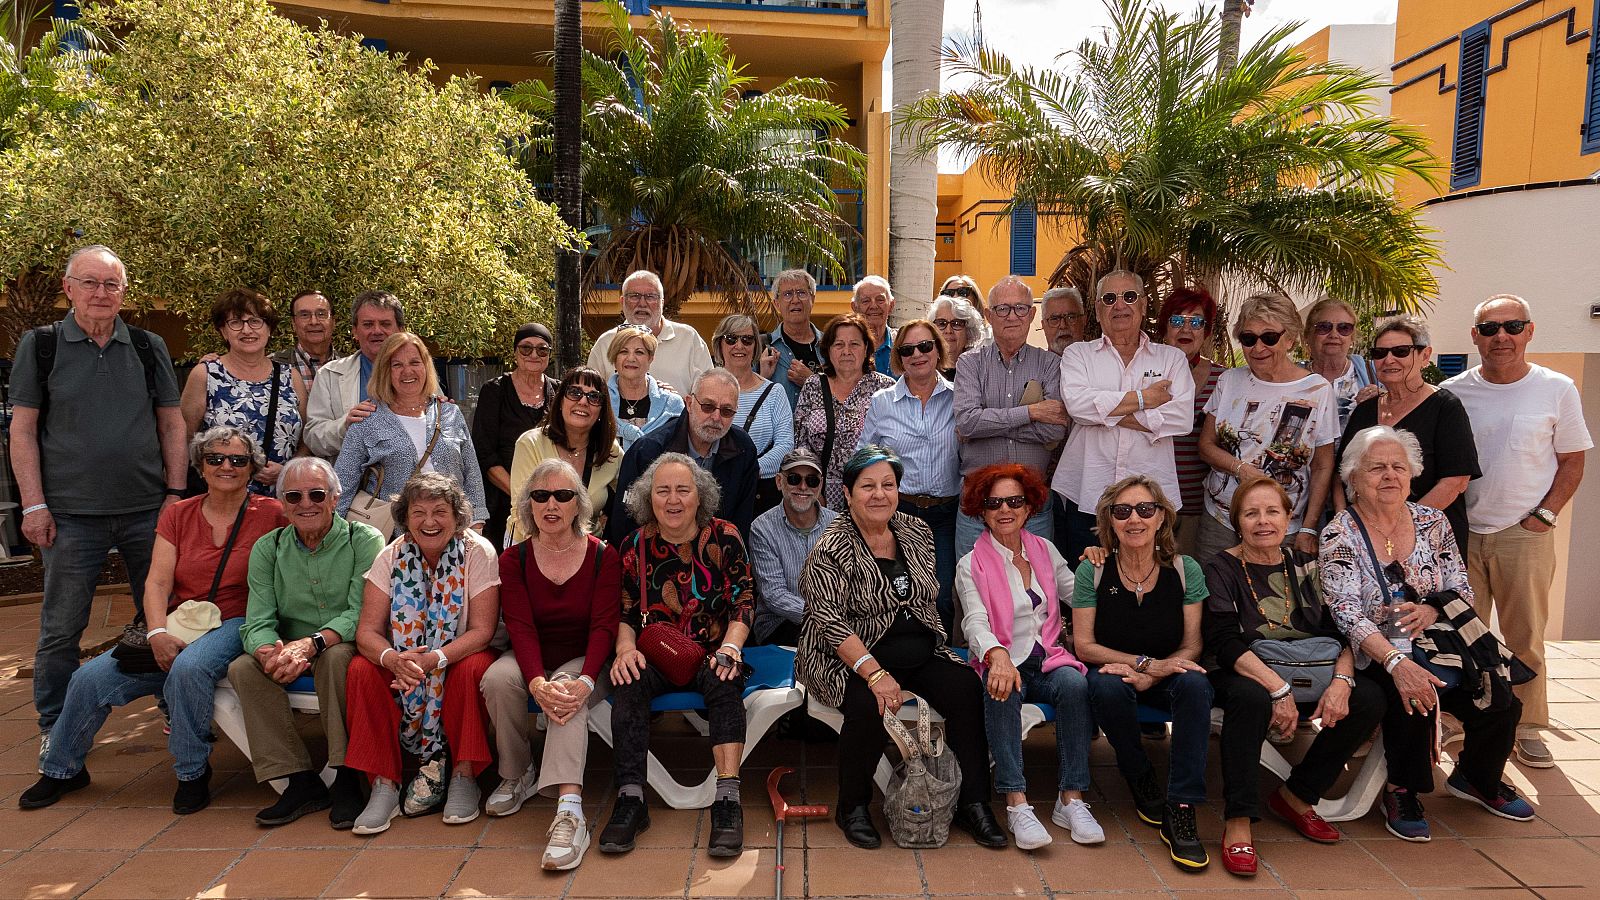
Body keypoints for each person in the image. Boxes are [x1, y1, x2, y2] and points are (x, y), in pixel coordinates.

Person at [20, 427, 284, 813]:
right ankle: (62, 769)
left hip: (237, 619)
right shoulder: (178, 513)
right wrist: (157, 631)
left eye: (238, 460)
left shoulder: (272, 513)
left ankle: (192, 772)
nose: (226, 466)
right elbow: (157, 582)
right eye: (215, 458)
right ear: (200, 466)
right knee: (87, 679)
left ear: (252, 468)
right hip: (179, 621)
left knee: (189, 668)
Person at [11, 245, 187, 765]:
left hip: (146, 511)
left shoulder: (148, 345)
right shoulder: (40, 346)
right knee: (62, 628)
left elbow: (171, 423)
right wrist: (32, 504)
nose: (101, 293)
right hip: (68, 514)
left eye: (112, 285)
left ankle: (175, 709)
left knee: (167, 618)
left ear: (124, 293)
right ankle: (55, 725)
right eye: (90, 283)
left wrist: (174, 495)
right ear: (69, 289)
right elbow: (21, 429)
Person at [1320, 426, 1537, 841]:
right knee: (1414, 694)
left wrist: (1431, 607)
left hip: (1443, 642)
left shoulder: (1432, 521)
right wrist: (1396, 661)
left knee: (1500, 696)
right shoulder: (1340, 532)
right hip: (1376, 647)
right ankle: (1402, 789)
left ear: (1412, 474)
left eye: (1398, 467)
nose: (1389, 476)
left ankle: (1476, 778)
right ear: (1354, 479)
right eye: (1377, 468)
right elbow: (1345, 611)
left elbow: (1462, 585)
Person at [796, 446, 1007, 850]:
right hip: (850, 657)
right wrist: (875, 674)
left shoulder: (916, 531)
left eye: (888, 485)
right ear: (848, 492)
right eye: (868, 486)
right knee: (865, 703)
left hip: (918, 649)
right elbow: (829, 622)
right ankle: (853, 806)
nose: (879, 495)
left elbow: (926, 599)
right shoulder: (831, 546)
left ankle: (974, 802)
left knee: (964, 689)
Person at [1201, 475, 1384, 876]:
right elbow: (1225, 642)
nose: (1262, 521)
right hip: (1244, 671)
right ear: (1237, 522)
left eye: (1272, 512)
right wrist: (1277, 687)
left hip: (1315, 669)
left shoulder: (1309, 565)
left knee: (1369, 697)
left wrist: (1342, 682)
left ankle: (1297, 794)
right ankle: (1239, 820)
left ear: (1289, 517)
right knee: (1248, 700)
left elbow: (1341, 632)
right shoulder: (1220, 568)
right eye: (1251, 513)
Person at [1442, 294, 1592, 769]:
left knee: (1525, 636)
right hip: (1462, 534)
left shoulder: (1557, 388)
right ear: (1474, 337)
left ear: (1529, 331)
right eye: (1489, 329)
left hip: (1523, 533)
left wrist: (1544, 516)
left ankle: (1528, 725)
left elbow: (1572, 461)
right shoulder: (1454, 392)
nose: (1500, 337)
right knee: (1462, 635)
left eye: (1511, 326)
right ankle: (1462, 720)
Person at [600, 453, 754, 857]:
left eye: (682, 490)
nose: (673, 500)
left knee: (725, 681)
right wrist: (624, 649)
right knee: (627, 680)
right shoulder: (634, 545)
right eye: (662, 491)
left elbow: (744, 601)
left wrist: (732, 648)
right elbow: (626, 610)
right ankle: (631, 798)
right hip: (654, 651)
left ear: (698, 496)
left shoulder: (724, 536)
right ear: (648, 499)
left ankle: (727, 799)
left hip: (710, 650)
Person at [227, 456, 384, 829]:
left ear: (335, 497)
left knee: (336, 660)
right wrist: (270, 651)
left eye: (316, 494)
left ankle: (346, 774)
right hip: (291, 646)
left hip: (343, 640)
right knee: (243, 668)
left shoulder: (364, 539)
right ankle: (299, 779)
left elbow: (360, 612)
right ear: (282, 503)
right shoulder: (269, 548)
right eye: (294, 497)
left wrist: (313, 644)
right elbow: (258, 618)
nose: (306, 504)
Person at [955, 463, 1102, 850]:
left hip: (1050, 658)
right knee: (1000, 686)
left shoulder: (1045, 550)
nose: (1005, 510)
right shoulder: (971, 564)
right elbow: (974, 620)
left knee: (1074, 684)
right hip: (1004, 660)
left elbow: (1081, 596)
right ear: (981, 511)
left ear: (1029, 506)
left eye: (1014, 501)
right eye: (994, 503)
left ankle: (1071, 798)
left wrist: (1100, 563)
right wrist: (997, 656)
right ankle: (1016, 802)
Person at [481, 460, 620, 870]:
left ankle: (570, 810)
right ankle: (518, 773)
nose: (551, 504)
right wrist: (536, 681)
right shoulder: (514, 559)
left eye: (563, 495)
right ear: (528, 505)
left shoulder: (603, 556)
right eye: (540, 496)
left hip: (588, 657)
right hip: (534, 655)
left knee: (568, 688)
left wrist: (587, 679)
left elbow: (603, 628)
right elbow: (520, 628)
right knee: (498, 678)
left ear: (579, 504)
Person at [345, 473, 501, 834]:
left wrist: (435, 659)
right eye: (419, 513)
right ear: (405, 517)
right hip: (406, 659)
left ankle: (464, 775)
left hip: (459, 653)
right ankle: (384, 783)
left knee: (473, 668)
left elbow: (482, 631)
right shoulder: (391, 555)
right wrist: (393, 660)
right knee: (361, 669)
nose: (429, 522)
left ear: (457, 516)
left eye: (439, 512)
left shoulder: (478, 551)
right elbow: (367, 632)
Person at [1071, 475, 1211, 871]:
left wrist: (1159, 673)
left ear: (1162, 517)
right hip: (1120, 673)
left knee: (1197, 685)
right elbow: (1085, 646)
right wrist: (1146, 666)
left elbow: (1193, 643)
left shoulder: (1185, 569)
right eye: (1122, 511)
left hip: (1171, 675)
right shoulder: (1092, 571)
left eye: (1145, 509)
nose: (1135, 519)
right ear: (1109, 521)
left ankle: (1182, 806)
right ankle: (1139, 774)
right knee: (1105, 686)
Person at [1053, 271, 1194, 564]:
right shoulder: (1078, 355)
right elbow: (1079, 407)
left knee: (1150, 582)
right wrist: (1146, 400)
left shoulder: (1171, 359)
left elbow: (1181, 418)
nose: (1120, 305)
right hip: (1088, 495)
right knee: (1087, 584)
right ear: (1097, 309)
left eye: (1129, 297)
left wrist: (1103, 410)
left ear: (1143, 305)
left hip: (1152, 502)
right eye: (1109, 298)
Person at [1196, 292, 1337, 563]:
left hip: (1282, 525)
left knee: (1276, 602)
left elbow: (1322, 465)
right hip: (1221, 520)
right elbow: (1206, 445)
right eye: (1248, 338)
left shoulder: (1318, 390)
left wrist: (1309, 527)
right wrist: (1242, 469)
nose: (1258, 347)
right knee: (1215, 600)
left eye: (1269, 337)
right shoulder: (1230, 380)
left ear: (1290, 338)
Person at [1340, 316, 1479, 557]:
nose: (1389, 359)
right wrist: (1348, 523)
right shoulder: (1364, 410)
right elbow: (1342, 472)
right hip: (1366, 539)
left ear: (1425, 356)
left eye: (1401, 351)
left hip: (1429, 540)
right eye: (1380, 353)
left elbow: (1455, 481)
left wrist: (1401, 525)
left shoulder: (1446, 407)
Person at [856, 320, 961, 627]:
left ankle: (940, 658)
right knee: (896, 592)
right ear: (899, 357)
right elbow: (864, 456)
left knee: (941, 595)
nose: (917, 354)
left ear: (938, 350)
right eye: (907, 349)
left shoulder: (959, 398)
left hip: (946, 513)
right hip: (900, 513)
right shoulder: (882, 403)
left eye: (925, 346)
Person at [954, 277, 1068, 556]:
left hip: (1032, 505)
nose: (1012, 316)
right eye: (1003, 309)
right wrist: (1031, 412)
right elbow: (967, 422)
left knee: (1037, 589)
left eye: (1020, 308)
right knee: (973, 591)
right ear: (988, 315)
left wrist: (988, 426)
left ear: (1031, 314)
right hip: (977, 505)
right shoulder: (969, 363)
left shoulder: (1050, 364)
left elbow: (1055, 432)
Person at [333, 332, 487, 534]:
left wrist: (476, 524)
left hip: (452, 534)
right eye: (397, 365)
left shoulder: (450, 412)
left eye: (415, 362)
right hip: (393, 537)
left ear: (426, 367)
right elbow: (342, 484)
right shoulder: (367, 419)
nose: (407, 371)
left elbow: (472, 473)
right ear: (385, 371)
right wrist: (336, 536)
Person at [605, 369, 760, 544]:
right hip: (656, 556)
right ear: (689, 403)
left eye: (726, 411)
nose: (716, 417)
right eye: (708, 406)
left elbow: (741, 523)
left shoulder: (743, 449)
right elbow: (625, 523)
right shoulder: (648, 451)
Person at [181, 288, 307, 497]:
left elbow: (306, 438)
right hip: (223, 500)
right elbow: (185, 439)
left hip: (283, 499)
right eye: (236, 323)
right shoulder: (206, 374)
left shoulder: (290, 376)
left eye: (255, 321)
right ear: (223, 331)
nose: (247, 330)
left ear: (269, 329)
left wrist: (288, 470)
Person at [507, 367, 623, 543]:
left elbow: (630, 495)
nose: (583, 401)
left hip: (588, 552)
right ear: (560, 401)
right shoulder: (530, 444)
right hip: (531, 546)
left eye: (594, 397)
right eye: (574, 392)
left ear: (602, 410)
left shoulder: (610, 451)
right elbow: (521, 513)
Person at [472, 323, 562, 549]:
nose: (534, 354)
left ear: (549, 355)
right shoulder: (494, 391)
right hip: (505, 503)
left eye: (542, 349)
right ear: (514, 353)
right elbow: (485, 454)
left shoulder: (560, 392)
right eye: (526, 348)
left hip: (555, 504)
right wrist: (525, 496)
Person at [793, 315, 896, 511]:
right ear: (828, 350)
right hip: (821, 498)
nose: (846, 351)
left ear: (866, 348)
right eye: (838, 344)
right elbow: (800, 445)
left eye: (854, 344)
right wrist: (812, 492)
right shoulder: (813, 385)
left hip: (871, 496)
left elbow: (894, 447)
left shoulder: (884, 388)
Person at [1159, 286, 1226, 557]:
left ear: (1206, 331)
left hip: (1199, 504)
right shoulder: (1143, 372)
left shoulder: (1223, 379)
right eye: (1177, 320)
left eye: (1196, 321)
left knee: (1191, 584)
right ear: (1165, 327)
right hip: (1151, 503)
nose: (1186, 329)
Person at [749, 449, 837, 646]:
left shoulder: (838, 524)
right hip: (781, 623)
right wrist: (828, 619)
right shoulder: (762, 528)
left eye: (812, 480)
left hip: (836, 620)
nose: (803, 487)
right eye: (794, 479)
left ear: (820, 485)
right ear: (779, 481)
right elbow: (774, 596)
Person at [303, 290, 404, 459]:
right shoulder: (328, 375)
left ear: (401, 330)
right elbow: (313, 438)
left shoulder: (420, 372)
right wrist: (345, 425)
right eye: (368, 324)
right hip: (352, 482)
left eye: (385, 324)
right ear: (355, 331)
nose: (377, 331)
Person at [713, 314, 793, 512]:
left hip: (760, 494)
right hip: (713, 489)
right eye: (731, 339)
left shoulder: (774, 393)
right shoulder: (705, 389)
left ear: (755, 346)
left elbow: (785, 445)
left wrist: (748, 470)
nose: (739, 346)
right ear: (720, 344)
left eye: (747, 339)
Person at [586, 270, 713, 394]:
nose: (642, 303)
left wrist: (676, 403)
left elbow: (708, 395)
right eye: (634, 296)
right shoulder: (606, 343)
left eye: (650, 297)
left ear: (662, 303)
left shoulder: (689, 339)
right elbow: (591, 394)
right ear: (622, 302)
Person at [1302, 296, 1380, 435]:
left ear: (1352, 338)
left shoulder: (1374, 372)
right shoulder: (1291, 377)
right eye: (1324, 327)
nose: (1333, 334)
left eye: (1344, 328)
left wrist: (1383, 398)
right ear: (1308, 336)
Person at [607, 324, 687, 450]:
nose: (631, 358)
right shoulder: (599, 402)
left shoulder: (671, 404)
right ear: (614, 358)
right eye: (623, 351)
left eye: (639, 352)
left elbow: (679, 451)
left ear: (650, 359)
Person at [767, 268, 825, 406]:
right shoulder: (763, 347)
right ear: (777, 303)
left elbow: (845, 395)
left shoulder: (831, 345)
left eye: (801, 293)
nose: (795, 300)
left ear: (813, 299)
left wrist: (811, 381)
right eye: (787, 294)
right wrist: (762, 377)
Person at [273, 289, 337, 388]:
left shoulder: (354, 366)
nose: (314, 322)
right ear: (293, 324)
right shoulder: (272, 366)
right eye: (304, 315)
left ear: (333, 322)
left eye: (321, 314)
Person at [928, 294, 985, 381]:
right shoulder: (923, 368)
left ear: (969, 332)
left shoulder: (981, 371)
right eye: (941, 323)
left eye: (957, 324)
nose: (948, 330)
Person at [851, 275, 897, 374]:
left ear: (891, 305)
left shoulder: (902, 344)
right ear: (855, 307)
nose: (873, 306)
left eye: (880, 300)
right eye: (866, 301)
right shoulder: (846, 347)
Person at [1039, 286, 1086, 355]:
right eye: (1055, 319)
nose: (1063, 325)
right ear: (1043, 325)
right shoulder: (1034, 364)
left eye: (1070, 317)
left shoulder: (1098, 361)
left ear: (1084, 320)